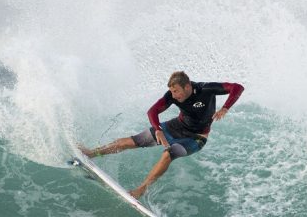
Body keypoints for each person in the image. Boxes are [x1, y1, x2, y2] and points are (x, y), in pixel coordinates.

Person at [81, 71, 244, 199]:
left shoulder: (205, 89)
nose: (173, 96)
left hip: (196, 138)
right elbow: (153, 111)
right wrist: (158, 129)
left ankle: (141, 190)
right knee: (132, 141)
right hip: (175, 127)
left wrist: (225, 108)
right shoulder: (172, 96)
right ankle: (91, 153)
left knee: (168, 154)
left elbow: (237, 87)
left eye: (176, 91)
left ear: (187, 87)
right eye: (171, 92)